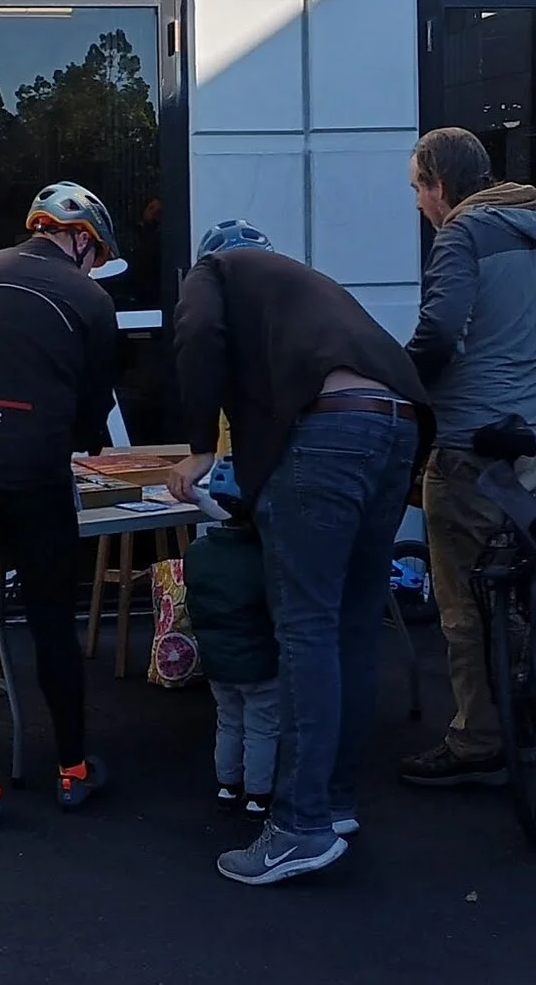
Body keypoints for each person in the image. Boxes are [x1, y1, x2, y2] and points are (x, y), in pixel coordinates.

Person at [167, 218, 426, 883]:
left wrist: (198, 447)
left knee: (305, 629)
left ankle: (299, 828)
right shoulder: (305, 286)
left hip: (329, 434)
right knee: (354, 626)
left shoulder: (216, 272)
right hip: (398, 423)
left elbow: (197, 334)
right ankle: (333, 804)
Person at [398, 127, 536, 790]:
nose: (418, 203)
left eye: (417, 188)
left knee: (462, 601)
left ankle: (478, 737)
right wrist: (522, 374)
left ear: (440, 183)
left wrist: (406, 383)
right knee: (523, 579)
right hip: (532, 439)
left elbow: (439, 331)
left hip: (468, 443)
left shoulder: (461, 234)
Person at [0, 181, 123, 823]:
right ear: (82, 239)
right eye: (96, 255)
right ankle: (72, 771)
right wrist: (77, 435)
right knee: (51, 624)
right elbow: (95, 404)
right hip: (35, 470)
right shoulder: (91, 299)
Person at [185, 513, 279, 822]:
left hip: (217, 658)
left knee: (228, 720)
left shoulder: (197, 552)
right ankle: (258, 795)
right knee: (262, 727)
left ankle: (228, 786)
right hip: (260, 658)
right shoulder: (266, 557)